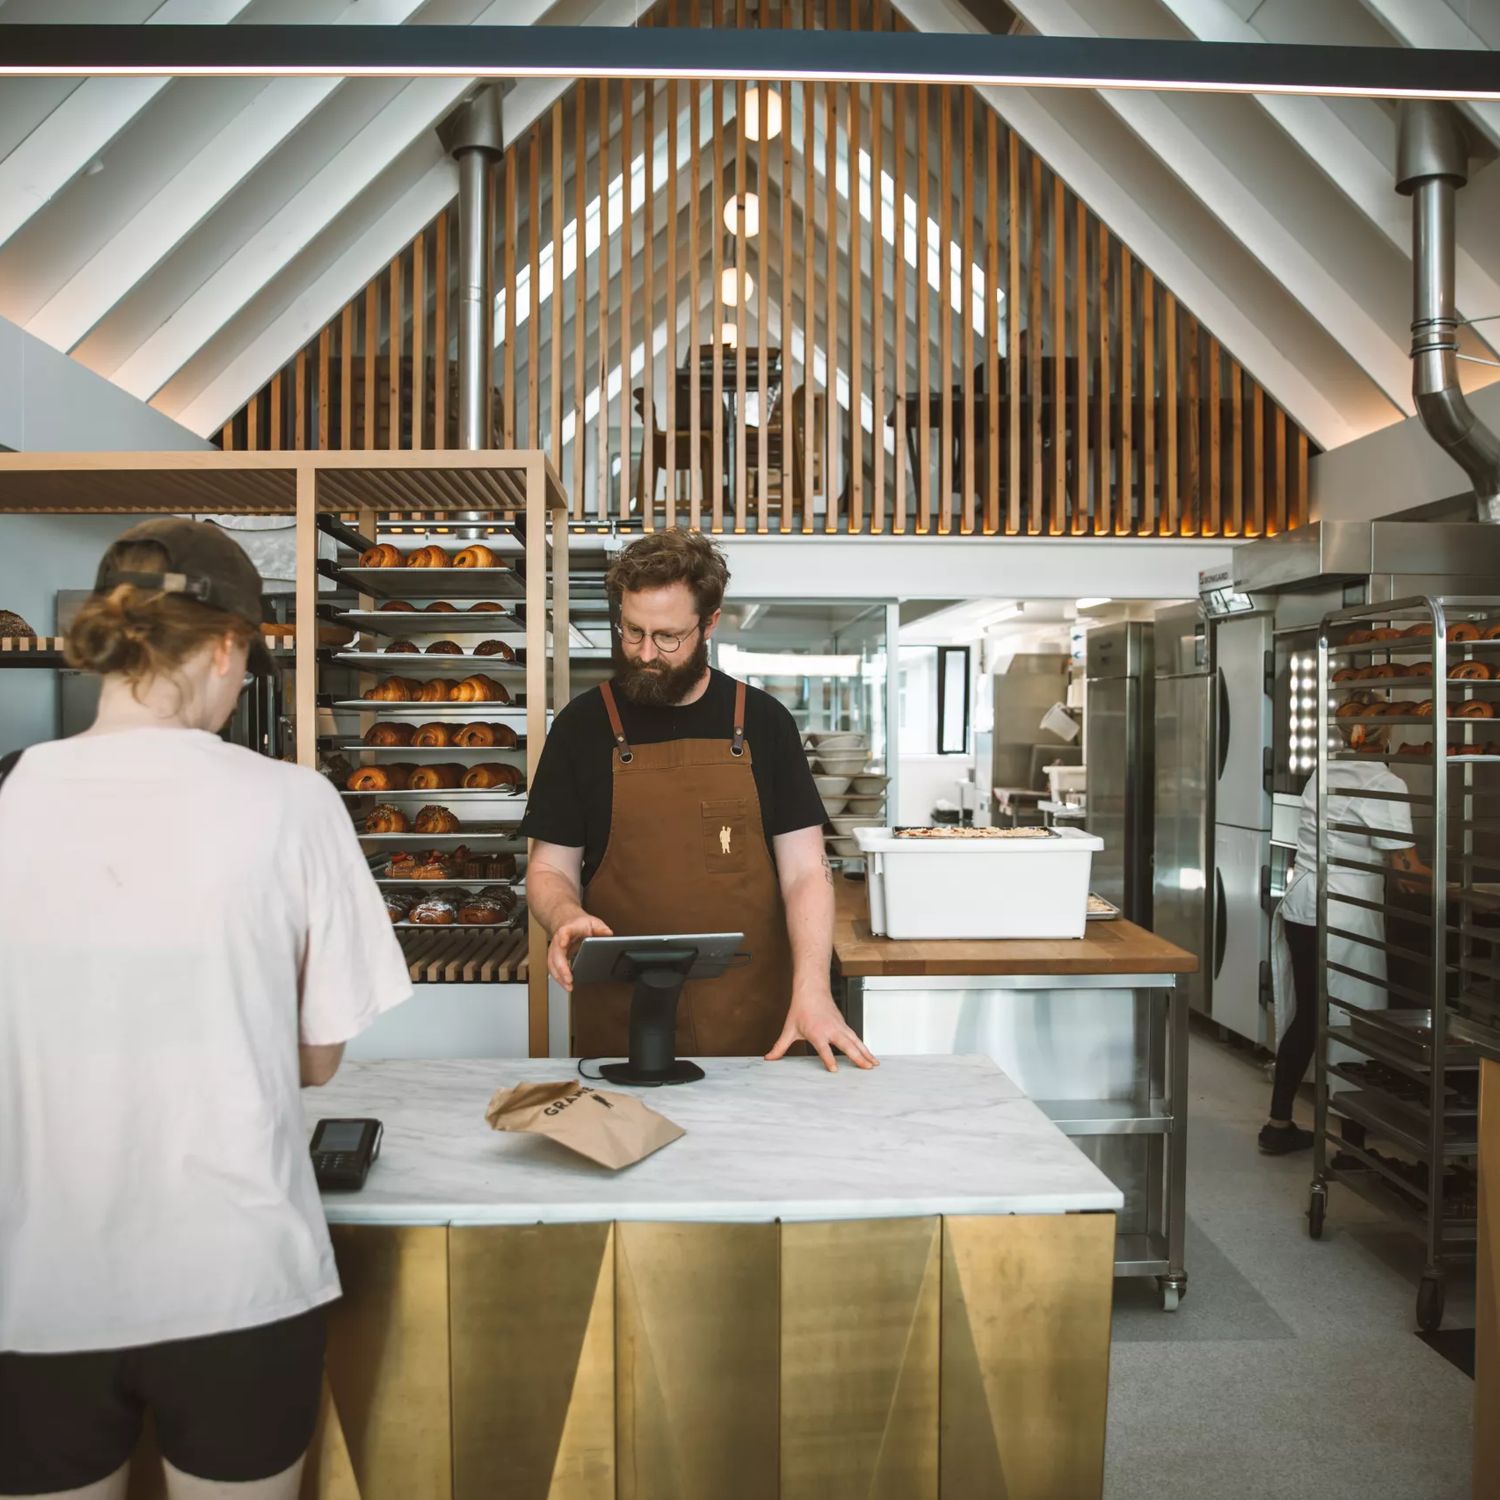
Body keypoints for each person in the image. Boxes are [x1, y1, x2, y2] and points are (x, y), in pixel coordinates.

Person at [0, 521, 411, 1500]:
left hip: (38, 1286)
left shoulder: (8, 795)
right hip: (238, 1281)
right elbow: (316, 1063)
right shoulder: (293, 801)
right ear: (228, 645)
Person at [522, 528, 877, 1073]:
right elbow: (549, 867)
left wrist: (814, 990)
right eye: (632, 631)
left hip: (753, 1018)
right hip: (621, 1023)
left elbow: (807, 871)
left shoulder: (764, 723)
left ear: (709, 624)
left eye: (668, 637)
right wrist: (564, 912)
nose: (645, 653)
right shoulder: (581, 727)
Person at [1262, 723, 1426, 1154]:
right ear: (1386, 730)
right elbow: (1407, 872)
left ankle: (1278, 1122)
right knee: (1355, 1018)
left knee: (1311, 1014)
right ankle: (1353, 1139)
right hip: (1346, 910)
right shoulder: (1387, 781)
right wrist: (1456, 883)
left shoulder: (1326, 770)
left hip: (1305, 903)